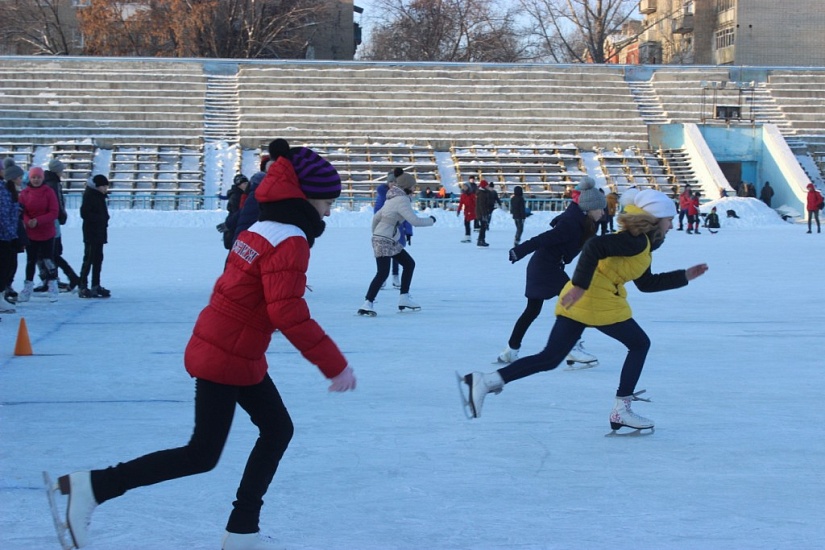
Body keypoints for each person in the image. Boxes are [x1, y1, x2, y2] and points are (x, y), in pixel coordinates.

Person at [49, 142, 357, 550]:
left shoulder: (260, 227)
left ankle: (242, 529)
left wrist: (281, 291)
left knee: (277, 428)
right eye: (325, 202)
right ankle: (96, 486)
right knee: (201, 454)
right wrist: (334, 365)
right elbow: (288, 314)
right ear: (303, 198)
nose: (329, 212)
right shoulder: (291, 238)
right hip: (226, 355)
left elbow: (248, 286)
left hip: (230, 346)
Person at [461, 189, 709, 433]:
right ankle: (621, 410)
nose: (671, 226)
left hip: (582, 298)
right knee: (639, 344)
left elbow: (645, 283)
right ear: (655, 221)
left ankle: (486, 381)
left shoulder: (639, 243)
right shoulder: (634, 241)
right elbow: (594, 247)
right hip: (594, 298)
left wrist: (684, 276)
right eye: (669, 220)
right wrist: (580, 286)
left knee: (550, 358)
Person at [496, 177, 604, 368]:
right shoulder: (571, 223)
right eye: (600, 209)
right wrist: (519, 251)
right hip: (545, 268)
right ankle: (572, 347)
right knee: (575, 301)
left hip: (546, 266)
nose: (603, 213)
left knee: (532, 310)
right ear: (588, 209)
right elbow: (543, 239)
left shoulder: (582, 222)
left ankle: (510, 351)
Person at [358, 172, 435, 316]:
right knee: (383, 272)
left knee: (408, 264)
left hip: (387, 239)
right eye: (413, 186)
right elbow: (415, 221)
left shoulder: (392, 198)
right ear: (407, 187)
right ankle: (367, 303)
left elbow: (376, 218)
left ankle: (404, 298)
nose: (414, 189)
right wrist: (431, 220)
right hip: (385, 239)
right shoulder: (402, 200)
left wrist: (377, 234)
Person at [35, 158, 80, 293]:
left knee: (50, 253)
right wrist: (62, 216)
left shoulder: (50, 182)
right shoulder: (53, 183)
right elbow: (57, 203)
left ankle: (52, 279)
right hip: (51, 222)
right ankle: (62, 278)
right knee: (51, 253)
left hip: (50, 221)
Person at [18, 167, 59, 303]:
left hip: (46, 231)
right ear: (30, 178)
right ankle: (28, 287)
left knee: (48, 260)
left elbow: (54, 212)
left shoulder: (49, 192)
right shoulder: (24, 193)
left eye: (38, 177)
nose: (36, 180)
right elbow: (22, 211)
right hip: (31, 233)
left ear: (42, 178)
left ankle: (52, 285)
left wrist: (39, 221)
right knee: (31, 260)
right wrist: (28, 221)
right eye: (33, 177)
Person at [374, 168, 412, 289]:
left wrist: (409, 232)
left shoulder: (402, 197)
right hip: (385, 229)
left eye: (395, 182)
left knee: (397, 255)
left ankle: (395, 276)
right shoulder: (382, 196)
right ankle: (382, 278)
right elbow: (377, 213)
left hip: (398, 230)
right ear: (388, 183)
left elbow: (407, 215)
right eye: (391, 182)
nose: (393, 184)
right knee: (384, 255)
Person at [78, 175, 112, 299]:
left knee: (98, 259)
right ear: (98, 186)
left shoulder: (99, 196)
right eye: (104, 186)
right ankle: (82, 285)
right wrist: (100, 219)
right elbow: (85, 213)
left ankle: (95, 284)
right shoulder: (90, 195)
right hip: (91, 233)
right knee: (89, 259)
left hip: (99, 232)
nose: (106, 188)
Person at [2, 159, 26, 304]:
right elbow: (4, 215)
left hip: (12, 233)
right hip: (6, 235)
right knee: (6, 265)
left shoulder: (13, 192)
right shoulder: (5, 192)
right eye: (18, 177)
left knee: (11, 264)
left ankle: (6, 288)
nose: (21, 180)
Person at [0, 162, 20, 314]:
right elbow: (3, 214)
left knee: (7, 266)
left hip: (6, 234)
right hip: (3, 236)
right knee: (4, 267)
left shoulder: (5, 188)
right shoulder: (2, 189)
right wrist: (11, 234)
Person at [219, 174, 250, 250]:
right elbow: (237, 213)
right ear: (239, 185)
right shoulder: (236, 196)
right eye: (244, 184)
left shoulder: (245, 194)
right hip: (235, 226)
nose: (247, 185)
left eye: (247, 183)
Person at [475, 180, 492, 247]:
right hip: (481, 213)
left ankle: (481, 240)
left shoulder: (484, 192)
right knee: (483, 227)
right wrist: (484, 214)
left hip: (482, 213)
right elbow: (481, 205)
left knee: (483, 227)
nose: (488, 186)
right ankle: (481, 240)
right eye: (487, 185)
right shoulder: (482, 193)